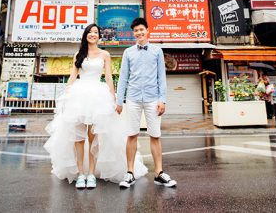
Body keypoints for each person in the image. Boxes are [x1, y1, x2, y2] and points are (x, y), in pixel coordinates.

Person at [44, 23, 147, 189]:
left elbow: (107, 77)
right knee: (78, 137)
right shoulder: (79, 54)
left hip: (97, 96)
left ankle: (91, 173)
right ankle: (79, 173)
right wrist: (65, 96)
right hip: (78, 96)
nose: (93, 34)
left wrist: (114, 98)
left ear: (99, 36)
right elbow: (73, 76)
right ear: (85, 35)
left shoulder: (105, 54)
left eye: (96, 32)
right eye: (90, 32)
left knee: (94, 136)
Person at [115, 17, 177, 188]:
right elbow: (123, 78)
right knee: (132, 135)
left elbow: (161, 78)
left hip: (152, 99)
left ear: (147, 30)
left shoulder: (157, 51)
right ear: (133, 33)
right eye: (136, 31)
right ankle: (130, 173)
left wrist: (162, 100)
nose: (139, 33)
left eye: (141, 29)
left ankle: (159, 173)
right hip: (133, 98)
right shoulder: (128, 52)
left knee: (155, 135)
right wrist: (119, 101)